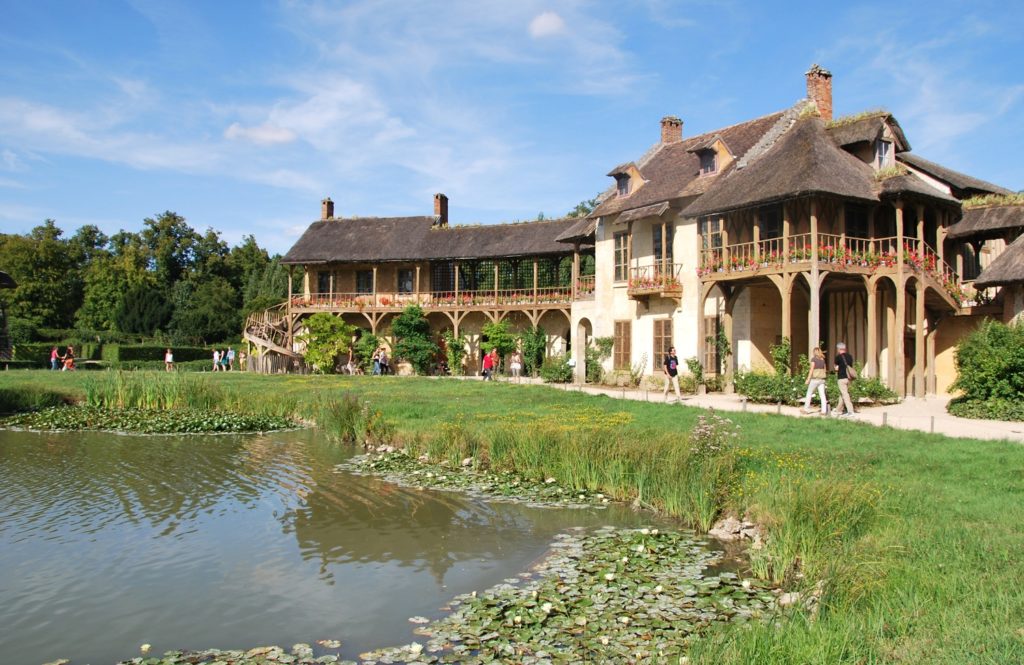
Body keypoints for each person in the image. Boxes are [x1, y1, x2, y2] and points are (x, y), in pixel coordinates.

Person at [802, 347, 828, 415]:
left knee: (809, 393)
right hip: (822, 379)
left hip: (815, 379)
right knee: (822, 395)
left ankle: (806, 409)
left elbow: (811, 370)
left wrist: (808, 379)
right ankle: (824, 411)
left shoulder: (813, 359)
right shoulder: (823, 360)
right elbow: (825, 370)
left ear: (814, 352)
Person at [833, 342, 856, 417]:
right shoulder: (850, 356)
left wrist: (837, 368)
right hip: (849, 378)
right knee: (842, 394)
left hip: (841, 377)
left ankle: (850, 411)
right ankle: (838, 409)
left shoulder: (838, 357)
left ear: (839, 349)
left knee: (845, 394)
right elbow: (850, 366)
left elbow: (836, 367)